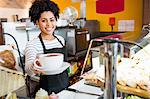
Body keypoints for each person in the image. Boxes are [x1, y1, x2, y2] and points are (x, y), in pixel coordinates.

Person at [24, 0, 69, 96]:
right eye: (44, 21)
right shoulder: (32, 44)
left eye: (52, 20)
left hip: (65, 88)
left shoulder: (60, 40)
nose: (49, 24)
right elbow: (28, 70)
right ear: (37, 22)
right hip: (46, 93)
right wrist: (34, 66)